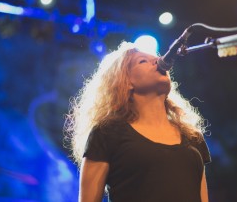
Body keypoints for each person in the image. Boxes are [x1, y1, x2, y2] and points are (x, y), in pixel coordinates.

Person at [65, 42, 211, 202]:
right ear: (126, 81)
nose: (158, 61)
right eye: (143, 61)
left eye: (156, 58)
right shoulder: (108, 132)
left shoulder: (192, 136)